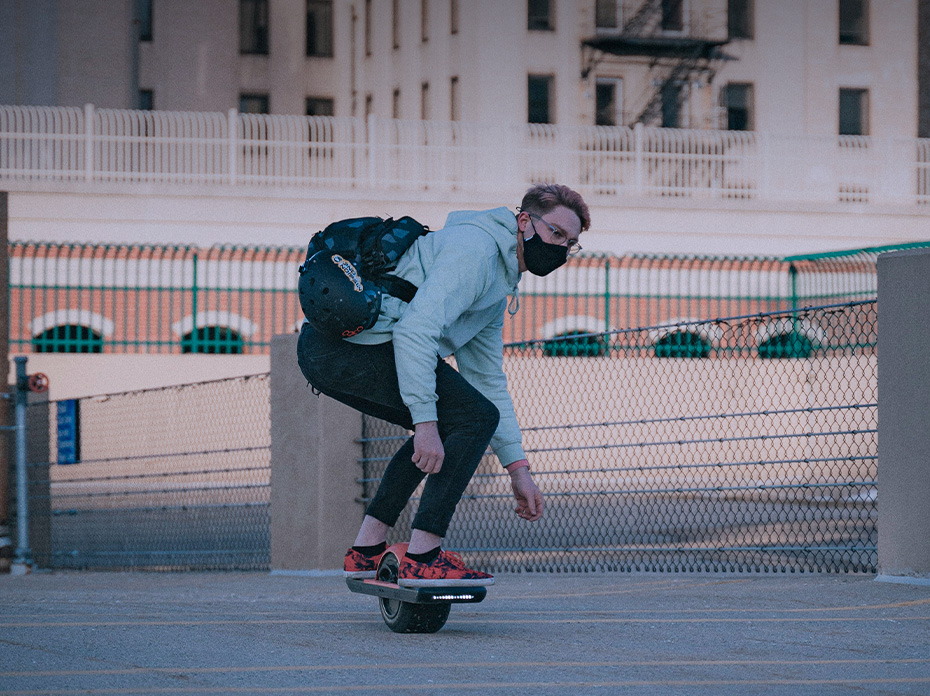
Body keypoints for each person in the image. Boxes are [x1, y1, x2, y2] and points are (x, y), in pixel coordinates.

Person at [297, 183, 591, 587]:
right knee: (467, 420)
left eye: (570, 243)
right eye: (555, 233)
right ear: (524, 221)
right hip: (349, 347)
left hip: (337, 352)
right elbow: (415, 332)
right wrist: (425, 422)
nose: (561, 248)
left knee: (465, 418)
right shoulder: (477, 251)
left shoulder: (498, 284)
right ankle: (423, 555)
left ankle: (366, 549)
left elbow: (487, 380)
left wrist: (518, 468)